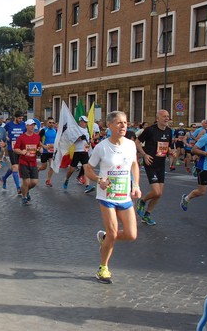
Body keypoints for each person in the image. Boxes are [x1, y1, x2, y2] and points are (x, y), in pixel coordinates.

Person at [84, 111, 141, 284]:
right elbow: (88, 168)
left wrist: (136, 185)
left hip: (124, 195)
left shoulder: (131, 145)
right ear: (109, 126)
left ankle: (104, 238)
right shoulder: (102, 147)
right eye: (119, 123)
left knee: (131, 235)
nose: (123, 126)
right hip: (106, 195)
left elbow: (134, 165)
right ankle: (103, 268)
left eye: (125, 122)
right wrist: (99, 180)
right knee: (113, 231)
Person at [134, 109, 174, 226]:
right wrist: (144, 155)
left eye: (168, 116)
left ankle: (147, 215)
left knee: (159, 194)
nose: (167, 118)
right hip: (150, 162)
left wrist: (171, 152)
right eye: (164, 116)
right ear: (158, 119)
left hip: (161, 164)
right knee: (156, 191)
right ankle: (142, 201)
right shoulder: (150, 130)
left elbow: (167, 146)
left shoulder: (169, 131)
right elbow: (137, 142)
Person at [13, 119, 42, 206]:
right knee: (26, 182)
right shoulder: (21, 138)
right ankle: (24, 197)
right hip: (23, 162)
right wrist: (21, 152)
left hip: (33, 162)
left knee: (34, 182)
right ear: (26, 126)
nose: (32, 127)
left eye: (33, 125)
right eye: (30, 125)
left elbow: (38, 147)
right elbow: (15, 149)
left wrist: (39, 150)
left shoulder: (37, 137)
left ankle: (25, 190)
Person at [63, 115, 95, 194]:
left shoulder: (87, 130)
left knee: (86, 169)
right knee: (72, 170)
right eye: (84, 122)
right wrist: (80, 138)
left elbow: (87, 141)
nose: (85, 124)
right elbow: (72, 140)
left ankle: (87, 186)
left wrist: (89, 141)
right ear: (80, 122)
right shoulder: (76, 129)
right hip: (77, 152)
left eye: (86, 122)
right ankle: (66, 179)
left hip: (84, 152)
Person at [1, 111, 26, 196]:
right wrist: (6, 137)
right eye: (19, 118)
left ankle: (4, 178)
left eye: (22, 118)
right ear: (15, 117)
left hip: (21, 148)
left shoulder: (23, 124)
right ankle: (18, 188)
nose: (21, 120)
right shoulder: (9, 124)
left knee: (13, 167)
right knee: (15, 167)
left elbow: (26, 134)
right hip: (12, 148)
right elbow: (2, 131)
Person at [38, 117, 57, 187]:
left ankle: (48, 180)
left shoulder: (56, 131)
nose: (51, 124)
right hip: (45, 151)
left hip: (52, 151)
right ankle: (38, 169)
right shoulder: (43, 130)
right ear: (47, 123)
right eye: (50, 122)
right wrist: (44, 146)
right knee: (44, 167)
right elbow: (38, 140)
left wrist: (55, 145)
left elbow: (58, 140)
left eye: (53, 123)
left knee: (52, 166)